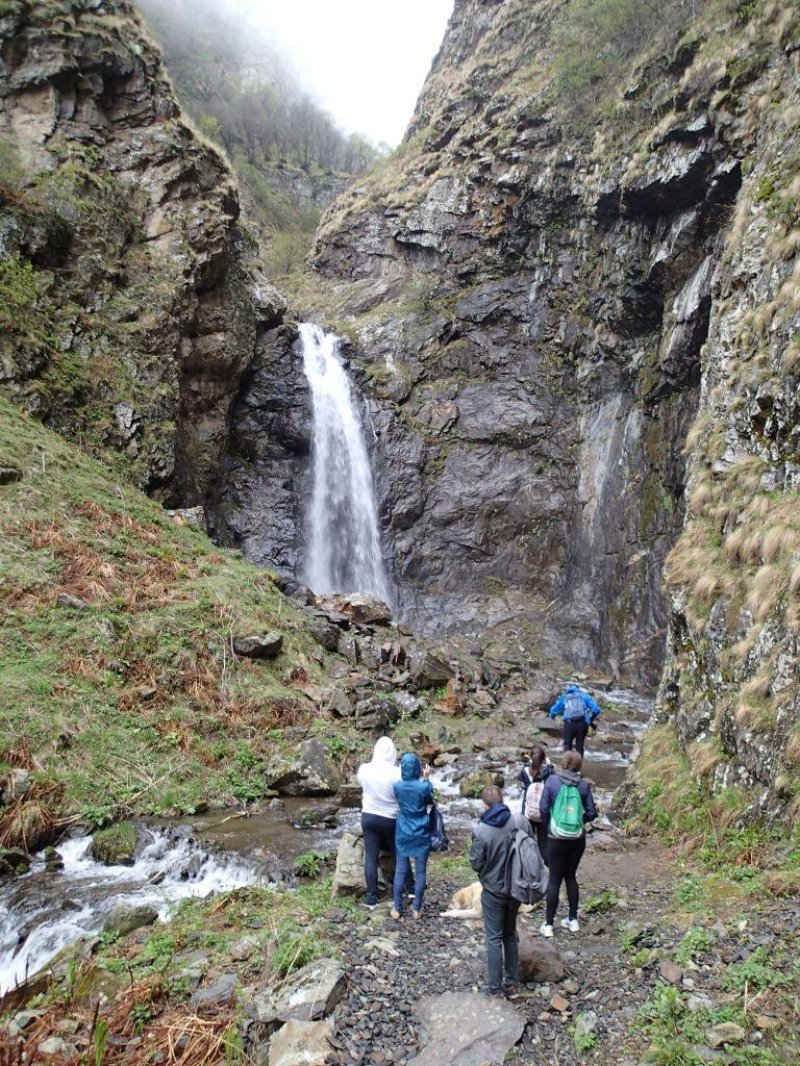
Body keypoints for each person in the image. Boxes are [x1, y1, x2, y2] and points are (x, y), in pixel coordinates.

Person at [469, 784, 531, 997]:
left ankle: (495, 988)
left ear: (484, 806)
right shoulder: (519, 821)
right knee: (509, 934)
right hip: (515, 889)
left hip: (493, 890)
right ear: (503, 801)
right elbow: (529, 845)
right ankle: (512, 984)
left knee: (494, 937)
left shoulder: (481, 831)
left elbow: (476, 863)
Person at [538, 751, 597, 938]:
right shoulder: (584, 785)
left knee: (554, 879)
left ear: (563, 763)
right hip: (577, 839)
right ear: (579, 766)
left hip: (556, 838)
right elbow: (592, 812)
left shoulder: (552, 782)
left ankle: (548, 925)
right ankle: (573, 920)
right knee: (571, 877)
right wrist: (579, 820)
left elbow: (542, 808)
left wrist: (550, 826)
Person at [356, 736, 406, 910]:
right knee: (399, 854)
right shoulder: (397, 773)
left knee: (371, 856)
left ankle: (371, 899)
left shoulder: (364, 769)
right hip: (391, 819)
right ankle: (410, 888)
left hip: (369, 817)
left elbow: (360, 783)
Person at [392, 753, 434, 919]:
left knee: (400, 870)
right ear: (417, 768)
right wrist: (426, 778)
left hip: (403, 830)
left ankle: (396, 908)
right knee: (421, 871)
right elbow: (430, 800)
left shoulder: (397, 786)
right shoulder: (423, 787)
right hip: (421, 831)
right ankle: (416, 908)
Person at [520, 745, 554, 865]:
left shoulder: (524, 771)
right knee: (543, 843)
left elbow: (522, 783)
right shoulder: (548, 771)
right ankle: (546, 865)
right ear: (544, 759)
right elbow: (553, 779)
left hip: (528, 811)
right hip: (543, 812)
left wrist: (528, 763)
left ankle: (527, 864)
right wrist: (549, 764)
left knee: (527, 839)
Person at [547, 683, 601, 757]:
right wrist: (591, 719)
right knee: (579, 746)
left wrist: (552, 718)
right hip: (583, 723)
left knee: (567, 745)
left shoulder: (564, 697)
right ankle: (578, 766)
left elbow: (553, 710)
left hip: (569, 723)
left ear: (568, 690)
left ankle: (567, 765)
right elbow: (596, 710)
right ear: (578, 689)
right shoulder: (584, 696)